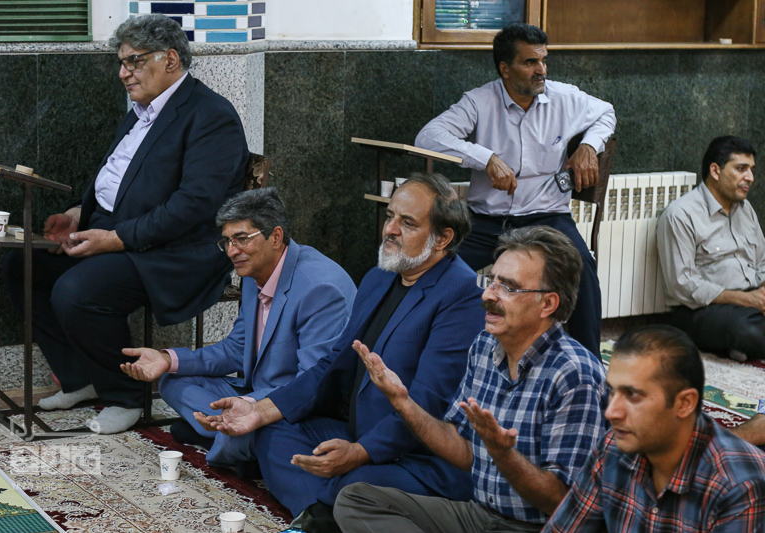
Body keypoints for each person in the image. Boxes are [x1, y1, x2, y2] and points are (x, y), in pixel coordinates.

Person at [195, 173, 485, 532]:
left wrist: (360, 453)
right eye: (390, 216)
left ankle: (324, 511)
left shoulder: (462, 294)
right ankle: (326, 514)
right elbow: (332, 364)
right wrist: (259, 409)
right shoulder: (380, 276)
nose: (390, 229)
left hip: (419, 456)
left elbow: (428, 404)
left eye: (407, 223)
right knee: (272, 431)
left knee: (354, 482)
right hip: (357, 431)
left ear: (442, 238)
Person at [3, 14, 249, 434]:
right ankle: (80, 378)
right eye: (121, 62)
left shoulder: (211, 115)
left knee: (78, 291)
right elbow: (117, 177)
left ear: (170, 59)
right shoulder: (142, 110)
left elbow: (195, 205)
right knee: (21, 264)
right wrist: (78, 214)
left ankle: (126, 395)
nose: (124, 73)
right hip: (121, 233)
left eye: (134, 61)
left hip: (176, 249)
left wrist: (115, 239)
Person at [335, 225, 608, 533]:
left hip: (538, 528)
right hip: (480, 516)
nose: (488, 295)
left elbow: (564, 502)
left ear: (548, 304)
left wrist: (502, 453)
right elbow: (464, 451)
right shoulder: (485, 346)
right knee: (356, 500)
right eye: (491, 281)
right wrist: (403, 402)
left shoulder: (575, 375)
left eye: (509, 288)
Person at [415, 22, 616, 358]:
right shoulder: (479, 101)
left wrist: (589, 146)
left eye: (544, 60)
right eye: (530, 62)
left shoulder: (564, 98)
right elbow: (428, 137)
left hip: (548, 219)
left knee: (581, 266)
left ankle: (588, 367)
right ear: (505, 69)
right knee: (434, 265)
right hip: (487, 222)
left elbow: (606, 113)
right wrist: (485, 158)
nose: (541, 71)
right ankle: (423, 351)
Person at [119, 188, 357, 467]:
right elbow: (236, 349)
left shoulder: (320, 288)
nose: (232, 251)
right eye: (227, 241)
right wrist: (167, 360)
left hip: (295, 404)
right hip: (257, 393)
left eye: (242, 239)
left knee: (248, 432)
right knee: (172, 379)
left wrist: (253, 408)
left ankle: (227, 444)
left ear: (275, 237)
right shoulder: (254, 270)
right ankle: (231, 436)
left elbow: (312, 384)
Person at [542, 325, 765, 532]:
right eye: (613, 391)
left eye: (632, 395)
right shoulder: (613, 446)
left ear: (684, 403)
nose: (611, 412)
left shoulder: (738, 485)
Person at [657, 136, 765, 361]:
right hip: (702, 310)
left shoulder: (746, 209)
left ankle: (743, 347)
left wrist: (762, 294)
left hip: (752, 304)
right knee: (744, 329)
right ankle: (742, 343)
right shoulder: (681, 214)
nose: (750, 177)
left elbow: (762, 261)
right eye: (741, 169)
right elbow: (682, 284)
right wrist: (745, 300)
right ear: (715, 171)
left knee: (750, 326)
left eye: (751, 170)